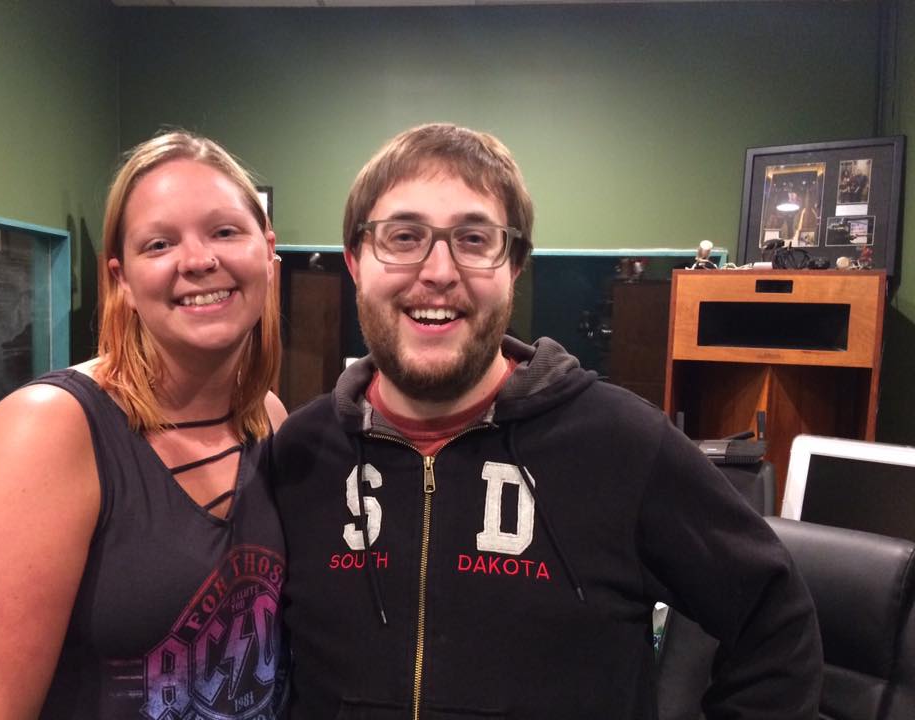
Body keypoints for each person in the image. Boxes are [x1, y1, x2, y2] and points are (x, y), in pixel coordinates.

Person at [271, 123, 822, 719]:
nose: (438, 271)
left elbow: (777, 623)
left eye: (474, 239)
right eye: (404, 237)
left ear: (515, 267)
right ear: (355, 261)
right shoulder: (297, 456)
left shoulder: (623, 446)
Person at [0, 131, 289, 718]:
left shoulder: (268, 417)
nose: (198, 259)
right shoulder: (47, 432)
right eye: (159, 244)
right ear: (123, 281)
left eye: (225, 231)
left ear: (267, 250)